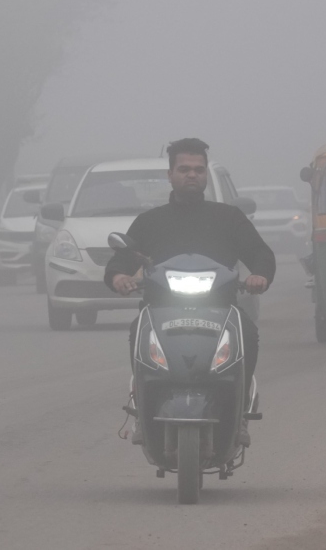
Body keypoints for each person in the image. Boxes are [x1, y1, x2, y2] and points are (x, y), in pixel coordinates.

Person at [105, 138, 275, 446]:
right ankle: (143, 411)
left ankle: (239, 414)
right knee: (138, 331)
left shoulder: (229, 218)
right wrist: (118, 276)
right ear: (170, 175)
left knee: (247, 333)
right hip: (161, 309)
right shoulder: (149, 222)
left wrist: (260, 275)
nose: (192, 174)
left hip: (220, 309)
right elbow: (123, 259)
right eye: (184, 169)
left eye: (198, 169)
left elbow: (260, 253)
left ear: (206, 174)